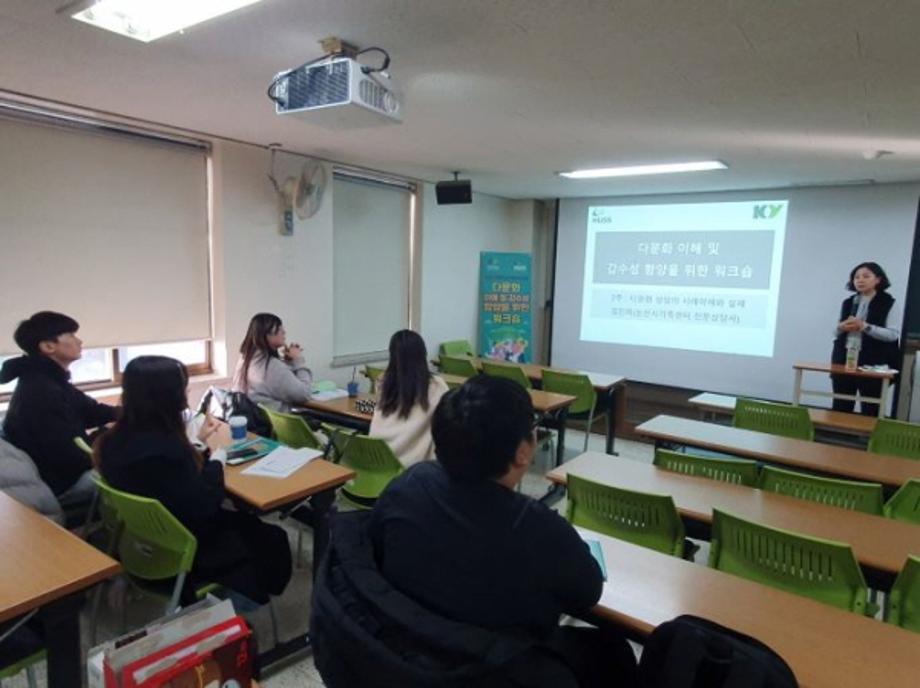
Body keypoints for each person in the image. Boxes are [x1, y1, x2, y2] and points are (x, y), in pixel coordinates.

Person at [368, 376, 637, 687]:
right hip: (495, 669)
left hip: (408, 655)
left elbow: (375, 549)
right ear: (522, 451)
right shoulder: (539, 529)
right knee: (613, 651)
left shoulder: (409, 484)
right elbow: (587, 592)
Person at [95, 356, 291, 604]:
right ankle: (247, 600)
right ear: (169, 396)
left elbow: (168, 482)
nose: (186, 392)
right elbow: (205, 504)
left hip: (141, 543)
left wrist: (197, 444)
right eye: (183, 387)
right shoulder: (170, 452)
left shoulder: (110, 442)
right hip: (188, 548)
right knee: (272, 537)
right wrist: (217, 461)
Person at [0, 311, 118, 507]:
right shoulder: (42, 391)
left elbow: (92, 411)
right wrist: (108, 438)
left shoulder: (46, 378)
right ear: (48, 346)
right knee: (142, 463)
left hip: (64, 471)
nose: (79, 341)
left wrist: (135, 411)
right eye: (71, 335)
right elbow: (70, 458)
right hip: (63, 483)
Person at [369, 330, 449, 467]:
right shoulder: (437, 386)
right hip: (413, 469)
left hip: (378, 461)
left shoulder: (383, 382)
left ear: (393, 356)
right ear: (423, 354)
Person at [830, 262, 900, 416]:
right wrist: (841, 327)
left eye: (866, 276)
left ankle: (870, 431)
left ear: (878, 279)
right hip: (845, 358)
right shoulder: (849, 302)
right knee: (841, 404)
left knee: (871, 407)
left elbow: (893, 334)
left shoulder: (888, 303)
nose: (860, 280)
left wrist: (865, 327)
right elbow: (835, 333)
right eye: (856, 277)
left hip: (873, 362)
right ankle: (838, 429)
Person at [232, 313, 313, 412]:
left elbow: (278, 383)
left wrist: (289, 363)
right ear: (266, 335)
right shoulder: (272, 367)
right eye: (279, 329)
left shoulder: (245, 359)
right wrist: (298, 360)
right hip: (275, 421)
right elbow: (304, 394)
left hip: (253, 419)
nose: (284, 332)